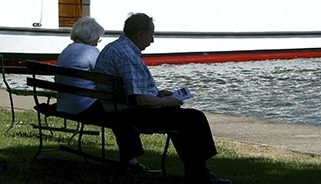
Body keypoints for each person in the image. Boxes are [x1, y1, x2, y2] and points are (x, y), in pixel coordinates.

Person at [94, 13, 233, 184]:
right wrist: (166, 101)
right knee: (194, 118)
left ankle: (196, 173)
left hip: (117, 109)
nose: (152, 41)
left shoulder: (115, 48)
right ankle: (199, 175)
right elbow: (139, 100)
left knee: (181, 118)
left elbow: (132, 90)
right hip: (129, 114)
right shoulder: (127, 57)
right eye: (151, 35)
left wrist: (158, 94)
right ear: (139, 34)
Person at [55, 16, 147, 170]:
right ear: (91, 38)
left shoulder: (66, 51)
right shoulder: (91, 52)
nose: (98, 41)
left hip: (65, 104)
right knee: (121, 115)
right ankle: (131, 162)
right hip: (83, 107)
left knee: (119, 113)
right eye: (98, 38)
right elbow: (108, 76)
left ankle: (130, 160)